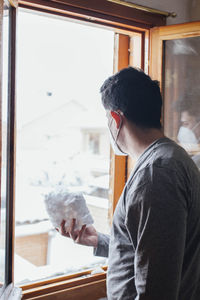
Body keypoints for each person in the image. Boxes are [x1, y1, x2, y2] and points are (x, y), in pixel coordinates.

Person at [57, 67, 200, 300]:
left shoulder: (157, 174)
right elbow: (157, 251)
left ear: (115, 119)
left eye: (107, 119)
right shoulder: (169, 159)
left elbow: (156, 290)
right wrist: (100, 242)